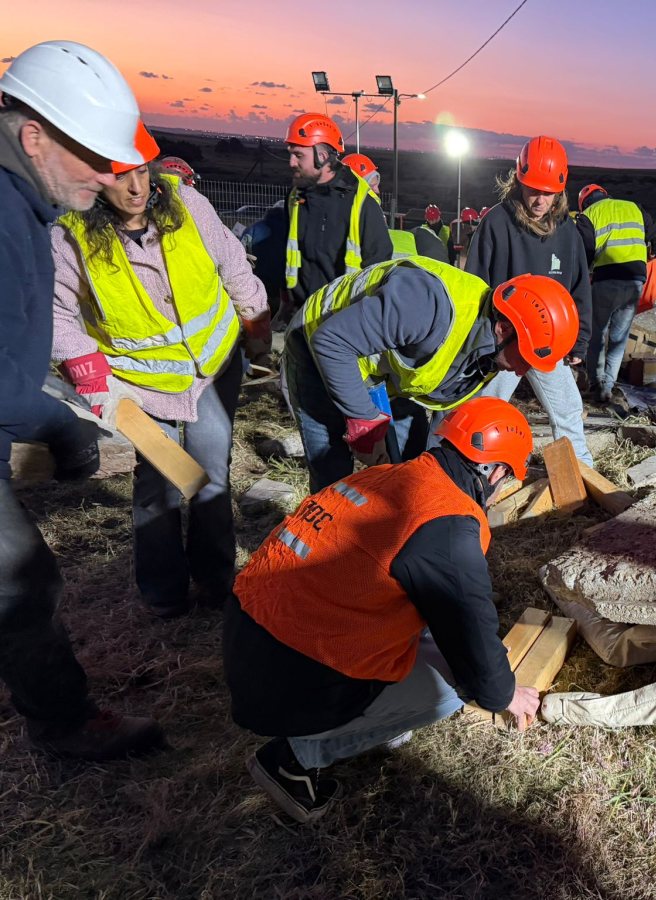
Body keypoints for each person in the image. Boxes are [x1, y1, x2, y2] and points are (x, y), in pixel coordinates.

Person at [224, 397, 541, 823]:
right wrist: (505, 694)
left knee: (426, 636)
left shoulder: (388, 476)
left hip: (247, 635)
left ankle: (360, 717)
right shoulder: (447, 520)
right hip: (289, 680)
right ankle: (293, 759)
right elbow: (472, 641)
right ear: (496, 471)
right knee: (453, 687)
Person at [0, 39, 162, 758]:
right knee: (22, 582)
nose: (109, 175)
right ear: (34, 137)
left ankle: (59, 719)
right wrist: (63, 429)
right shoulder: (4, 218)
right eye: (95, 158)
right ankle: (63, 726)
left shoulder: (23, 209)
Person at [52, 121, 270, 617]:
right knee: (159, 485)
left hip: (212, 370)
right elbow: (57, 315)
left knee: (211, 477)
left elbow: (232, 263)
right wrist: (93, 379)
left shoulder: (187, 203)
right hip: (143, 388)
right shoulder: (70, 238)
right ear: (93, 177)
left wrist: (256, 323)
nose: (135, 187)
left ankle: (216, 582)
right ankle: (164, 593)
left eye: (141, 171)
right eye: (119, 176)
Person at [283, 255, 578, 492]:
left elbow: (445, 413)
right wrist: (364, 419)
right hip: (320, 342)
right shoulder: (426, 305)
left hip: (388, 371)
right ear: (503, 328)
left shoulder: (489, 351)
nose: (523, 371)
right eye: (525, 358)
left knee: (411, 464)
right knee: (331, 467)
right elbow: (331, 342)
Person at [466, 136, 594, 465]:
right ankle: (471, 475)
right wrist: (482, 341)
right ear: (518, 180)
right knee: (482, 413)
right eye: (533, 190)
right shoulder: (497, 222)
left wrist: (579, 341)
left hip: (548, 344)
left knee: (569, 411)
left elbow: (579, 287)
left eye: (547, 192)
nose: (539, 200)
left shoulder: (567, 231)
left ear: (560, 191)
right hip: (503, 342)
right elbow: (474, 284)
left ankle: (581, 475)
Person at [256, 114, 391, 323]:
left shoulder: (362, 204)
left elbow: (377, 272)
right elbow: (291, 254)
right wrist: (285, 306)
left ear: (323, 156)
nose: (291, 162)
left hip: (341, 322)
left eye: (299, 155)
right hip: (299, 316)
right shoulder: (295, 197)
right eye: (291, 154)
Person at [575, 183, 656, 402]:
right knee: (619, 338)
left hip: (606, 279)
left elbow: (585, 252)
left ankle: (596, 385)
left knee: (596, 334)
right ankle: (609, 386)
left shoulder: (588, 215)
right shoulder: (634, 207)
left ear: (584, 203)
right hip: (635, 281)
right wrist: (653, 251)